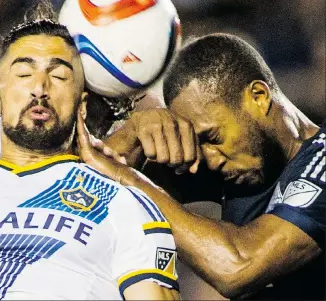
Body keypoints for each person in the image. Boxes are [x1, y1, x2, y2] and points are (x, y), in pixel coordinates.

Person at [0, 0, 180, 300]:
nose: (39, 88)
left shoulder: (124, 204)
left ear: (81, 106)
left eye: (58, 76)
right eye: (24, 74)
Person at [78, 33, 325, 300]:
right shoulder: (232, 165)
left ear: (258, 96)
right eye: (199, 143)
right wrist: (134, 133)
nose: (212, 159)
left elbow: (237, 266)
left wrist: (130, 179)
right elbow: (84, 198)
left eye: (213, 137)